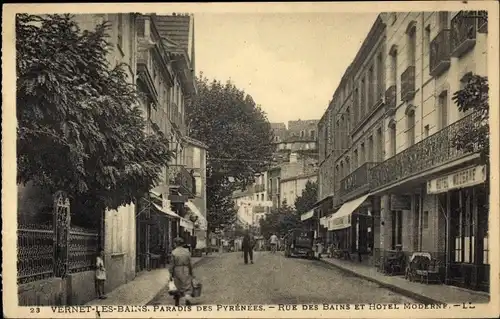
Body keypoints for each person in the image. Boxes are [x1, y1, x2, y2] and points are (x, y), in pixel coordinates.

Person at [170, 237, 194, 306]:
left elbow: (172, 264)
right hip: (186, 268)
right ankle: (187, 299)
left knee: (177, 286)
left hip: (177, 269)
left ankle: (177, 301)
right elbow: (190, 262)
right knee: (187, 285)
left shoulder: (174, 252)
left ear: (175, 244)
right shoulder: (187, 251)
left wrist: (171, 272)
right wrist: (191, 271)